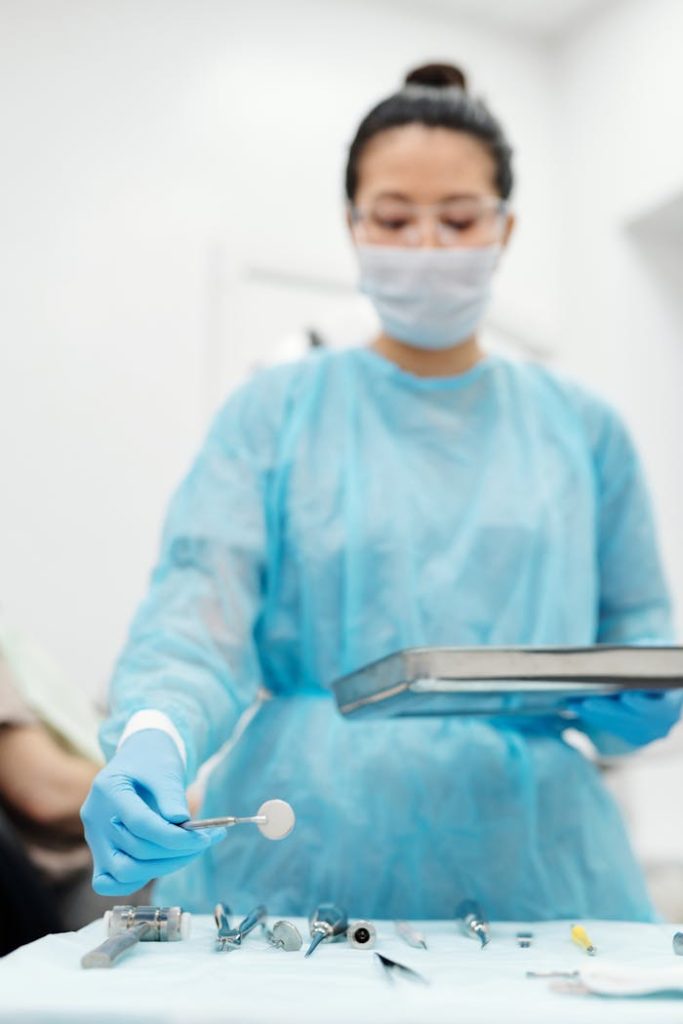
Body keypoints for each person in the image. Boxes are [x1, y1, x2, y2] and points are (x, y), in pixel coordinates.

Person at [82, 63, 682, 921]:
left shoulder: (584, 430)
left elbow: (638, 631)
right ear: (353, 227)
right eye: (395, 220)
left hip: (538, 859)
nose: (427, 246)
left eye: (459, 218)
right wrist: (153, 735)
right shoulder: (274, 412)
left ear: (505, 229)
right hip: (302, 848)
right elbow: (195, 618)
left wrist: (642, 699)